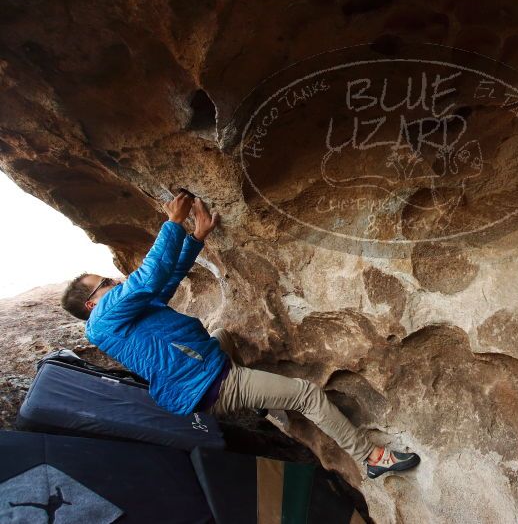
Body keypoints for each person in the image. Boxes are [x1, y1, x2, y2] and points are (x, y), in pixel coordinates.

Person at [60, 190, 419, 479]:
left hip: (200, 372)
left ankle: (259, 399)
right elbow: (148, 277)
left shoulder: (125, 315)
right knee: (306, 395)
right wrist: (173, 223)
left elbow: (166, 280)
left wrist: (196, 236)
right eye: (105, 283)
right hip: (211, 382)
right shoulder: (105, 319)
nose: (115, 281)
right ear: (91, 304)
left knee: (224, 336)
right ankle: (372, 457)